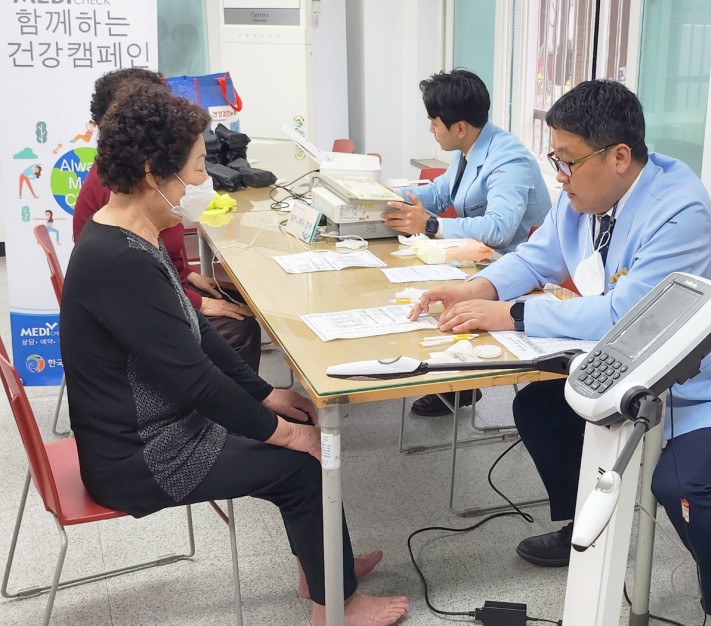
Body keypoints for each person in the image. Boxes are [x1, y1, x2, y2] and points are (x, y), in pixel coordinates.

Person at [408, 79, 711, 626]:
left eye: (568, 161)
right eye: (555, 160)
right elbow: (536, 258)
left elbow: (628, 315)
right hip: (633, 372)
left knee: (681, 485)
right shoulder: (584, 195)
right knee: (538, 408)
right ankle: (582, 525)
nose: (559, 176)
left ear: (619, 157)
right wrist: (474, 290)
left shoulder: (680, 209)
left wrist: (512, 314)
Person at [60, 85, 409, 626]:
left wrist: (266, 395)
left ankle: (323, 570)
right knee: (303, 465)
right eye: (197, 167)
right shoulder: (119, 259)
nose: (203, 180)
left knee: (302, 427)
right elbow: (196, 381)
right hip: (141, 455)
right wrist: (283, 433)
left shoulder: (130, 234)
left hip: (160, 428)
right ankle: (336, 607)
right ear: (154, 172)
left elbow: (193, 332)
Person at [384, 69, 551, 417]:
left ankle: (457, 382)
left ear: (459, 127)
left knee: (433, 294)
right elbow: (439, 193)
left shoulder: (509, 160)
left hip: (516, 269)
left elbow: (500, 229)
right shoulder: (467, 149)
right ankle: (452, 380)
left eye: (434, 122)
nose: (430, 129)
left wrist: (431, 224)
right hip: (478, 259)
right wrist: (383, 196)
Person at [73, 68, 262, 372]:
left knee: (239, 300)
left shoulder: (139, 193)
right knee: (240, 328)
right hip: (138, 311)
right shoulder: (124, 201)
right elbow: (140, 285)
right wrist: (197, 302)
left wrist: (187, 274)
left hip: (158, 291)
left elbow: (161, 261)